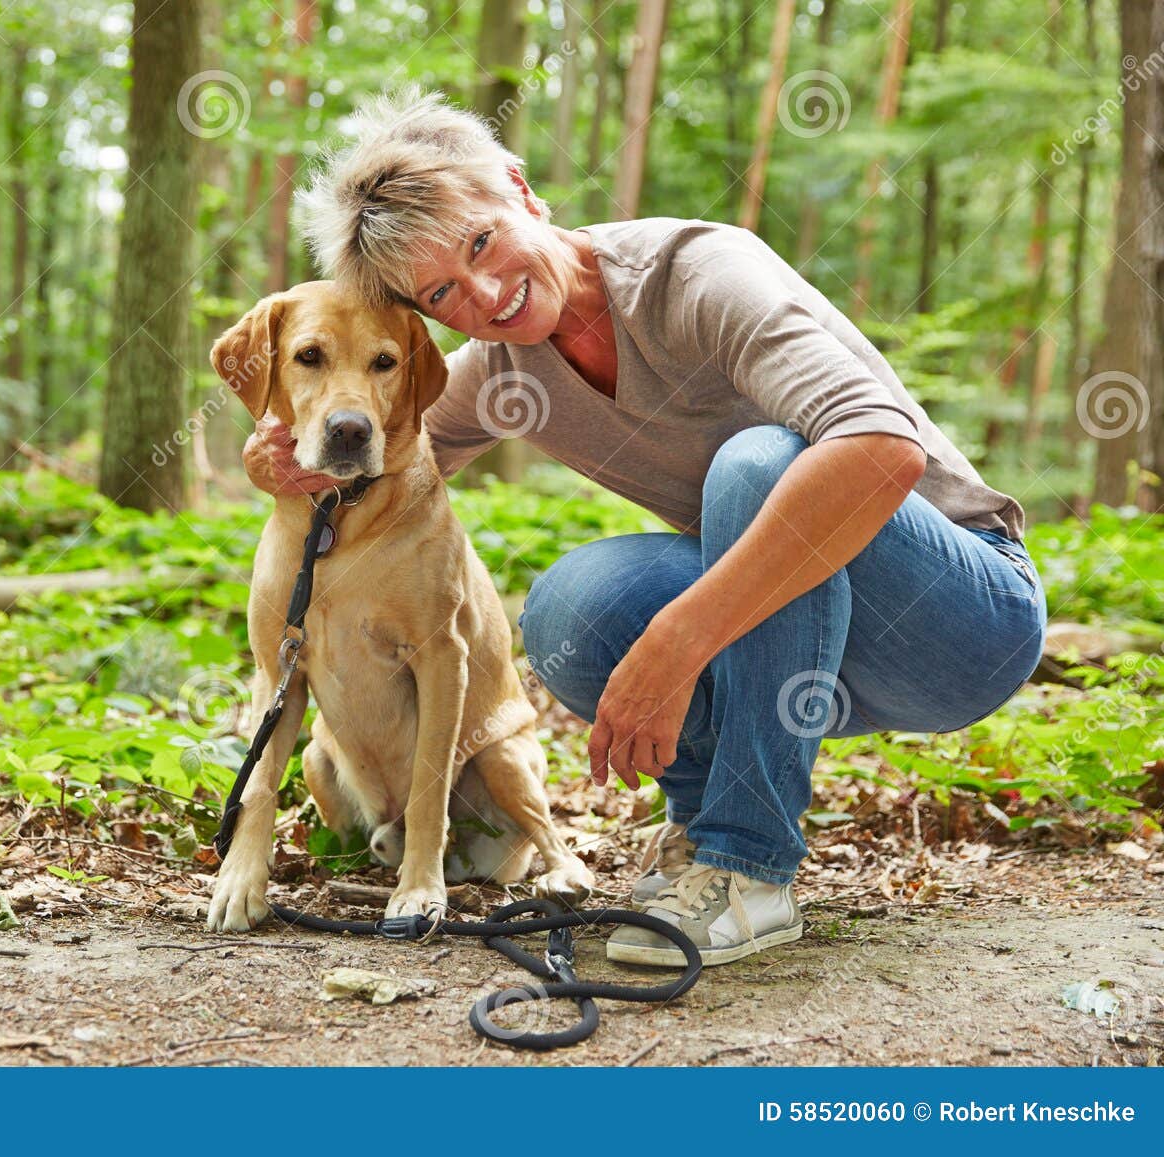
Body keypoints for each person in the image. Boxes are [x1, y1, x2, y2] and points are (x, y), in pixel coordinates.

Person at [240, 89, 1046, 966]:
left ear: (519, 187)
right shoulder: (503, 369)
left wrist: (681, 637)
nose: (484, 291)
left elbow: (882, 452)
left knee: (759, 463)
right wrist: (276, 465)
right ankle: (702, 832)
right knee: (569, 609)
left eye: (481, 242)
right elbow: (379, 451)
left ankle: (751, 864)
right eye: (442, 291)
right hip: (815, 641)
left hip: (964, 621)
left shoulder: (699, 273)